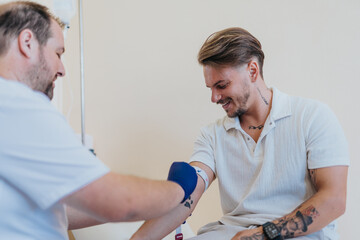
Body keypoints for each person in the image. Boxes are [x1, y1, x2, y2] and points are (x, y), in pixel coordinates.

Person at [0, 2, 198, 239]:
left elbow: (63, 210)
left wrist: (156, 200)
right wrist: (178, 189)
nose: (62, 69)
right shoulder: (18, 104)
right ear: (28, 42)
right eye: (58, 53)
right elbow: (120, 202)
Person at [131, 27, 349, 240]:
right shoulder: (212, 135)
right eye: (211, 88)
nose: (214, 98)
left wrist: (261, 234)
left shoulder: (311, 117)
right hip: (228, 233)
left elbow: (334, 199)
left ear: (252, 71)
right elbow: (190, 191)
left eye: (222, 85)